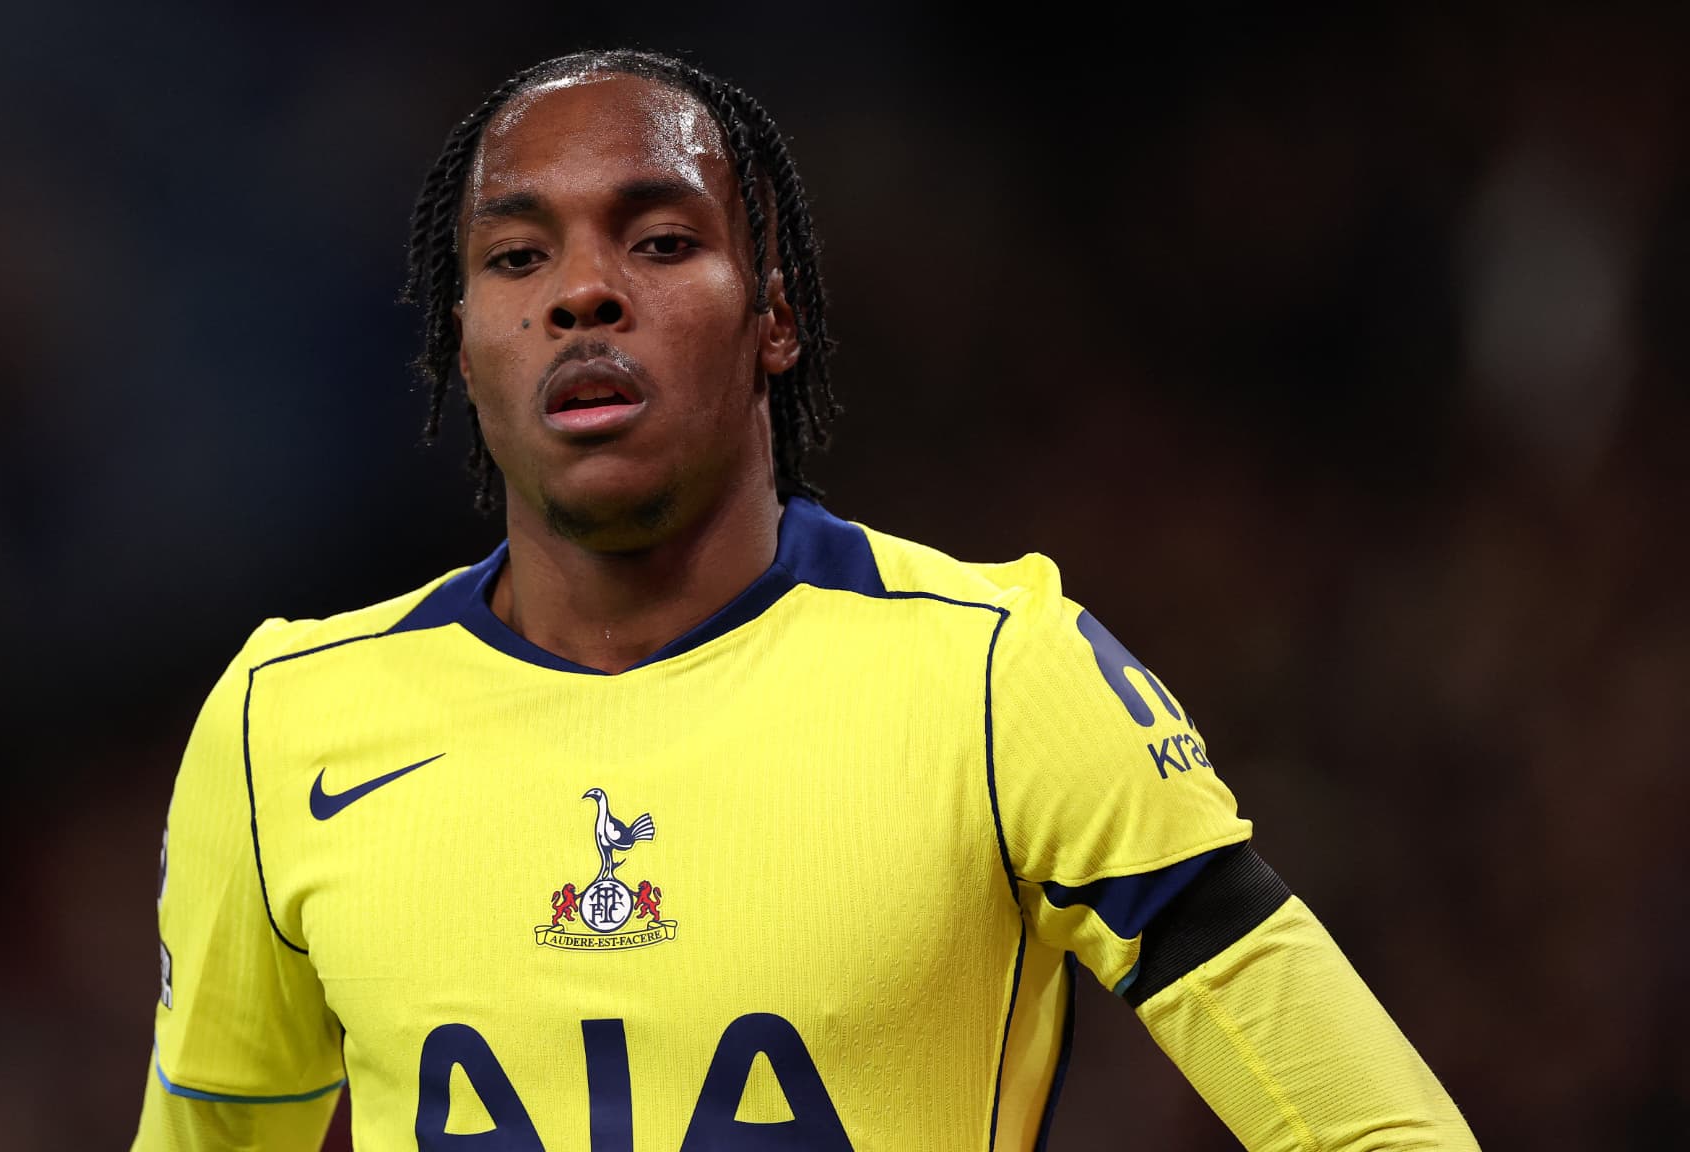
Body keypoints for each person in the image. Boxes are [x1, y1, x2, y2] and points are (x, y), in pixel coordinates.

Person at [132, 48, 1478, 1152]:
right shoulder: (283, 725)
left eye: (660, 240)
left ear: (773, 314)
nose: (583, 292)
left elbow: (1377, 1130)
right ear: (462, 343)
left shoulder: (997, 679)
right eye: (517, 258)